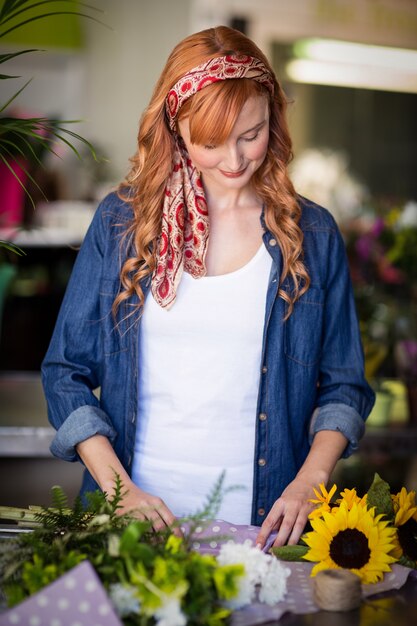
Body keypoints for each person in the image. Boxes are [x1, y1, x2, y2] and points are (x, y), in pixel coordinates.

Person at [41, 25, 375, 548]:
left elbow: (344, 385)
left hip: (264, 533)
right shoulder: (120, 226)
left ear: (274, 119)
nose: (236, 161)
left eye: (252, 134)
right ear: (176, 129)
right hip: (130, 528)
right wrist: (118, 491)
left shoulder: (311, 235)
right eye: (211, 142)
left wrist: (311, 478)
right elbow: (65, 373)